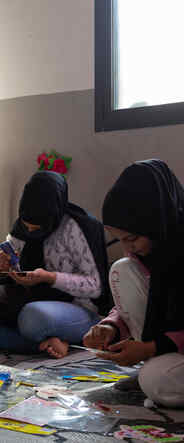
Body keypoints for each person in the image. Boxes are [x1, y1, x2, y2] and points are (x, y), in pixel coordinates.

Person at [0, 171, 111, 358]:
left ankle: (54, 337)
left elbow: (95, 287)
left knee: (32, 318)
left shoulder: (76, 228)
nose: (30, 231)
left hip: (77, 309)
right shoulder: (23, 225)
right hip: (28, 301)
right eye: (27, 226)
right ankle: (45, 345)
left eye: (37, 228)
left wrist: (50, 278)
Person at [83, 159, 184, 408]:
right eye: (120, 240)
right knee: (121, 269)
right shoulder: (151, 251)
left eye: (133, 238)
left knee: (156, 381)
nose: (129, 248)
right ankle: (156, 368)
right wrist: (112, 326)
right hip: (171, 348)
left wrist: (150, 348)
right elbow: (148, 297)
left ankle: (155, 371)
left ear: (155, 221)